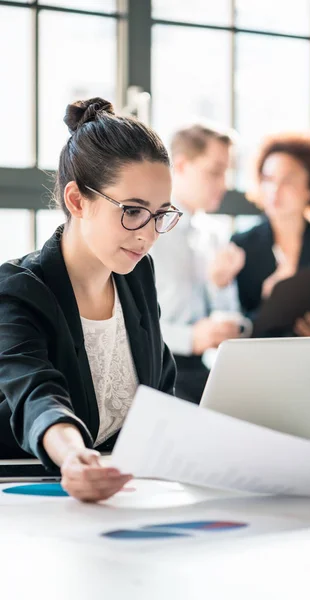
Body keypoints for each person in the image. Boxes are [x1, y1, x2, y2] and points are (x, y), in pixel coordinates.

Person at [0, 97, 182, 502]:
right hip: (25, 496)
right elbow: (36, 395)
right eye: (133, 211)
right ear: (78, 200)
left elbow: (160, 390)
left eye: (160, 214)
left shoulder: (136, 277)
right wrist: (73, 456)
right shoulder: (17, 288)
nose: (148, 235)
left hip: (121, 496)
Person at [150, 123, 247, 404]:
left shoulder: (216, 235)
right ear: (180, 166)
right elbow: (129, 323)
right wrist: (190, 337)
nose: (225, 183)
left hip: (208, 371)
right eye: (215, 171)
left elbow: (230, 315)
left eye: (228, 172)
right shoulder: (149, 231)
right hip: (159, 371)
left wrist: (220, 286)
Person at [231, 132, 310, 337]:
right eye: (268, 179)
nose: (274, 190)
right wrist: (270, 303)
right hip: (259, 364)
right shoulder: (241, 245)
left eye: (287, 181)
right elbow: (234, 330)